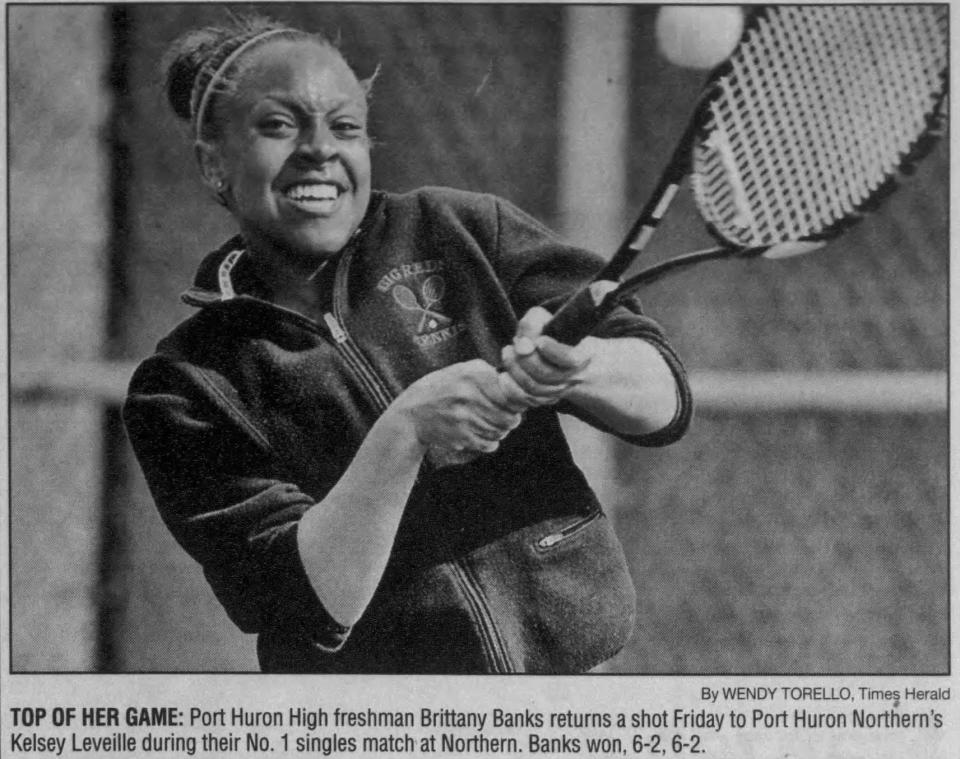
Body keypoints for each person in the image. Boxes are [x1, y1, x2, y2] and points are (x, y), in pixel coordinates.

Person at [123, 16, 693, 673]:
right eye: (278, 126)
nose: (319, 151)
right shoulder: (184, 385)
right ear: (213, 162)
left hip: (576, 692)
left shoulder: (462, 228)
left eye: (344, 126)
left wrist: (578, 368)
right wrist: (406, 432)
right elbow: (303, 603)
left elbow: (664, 395)